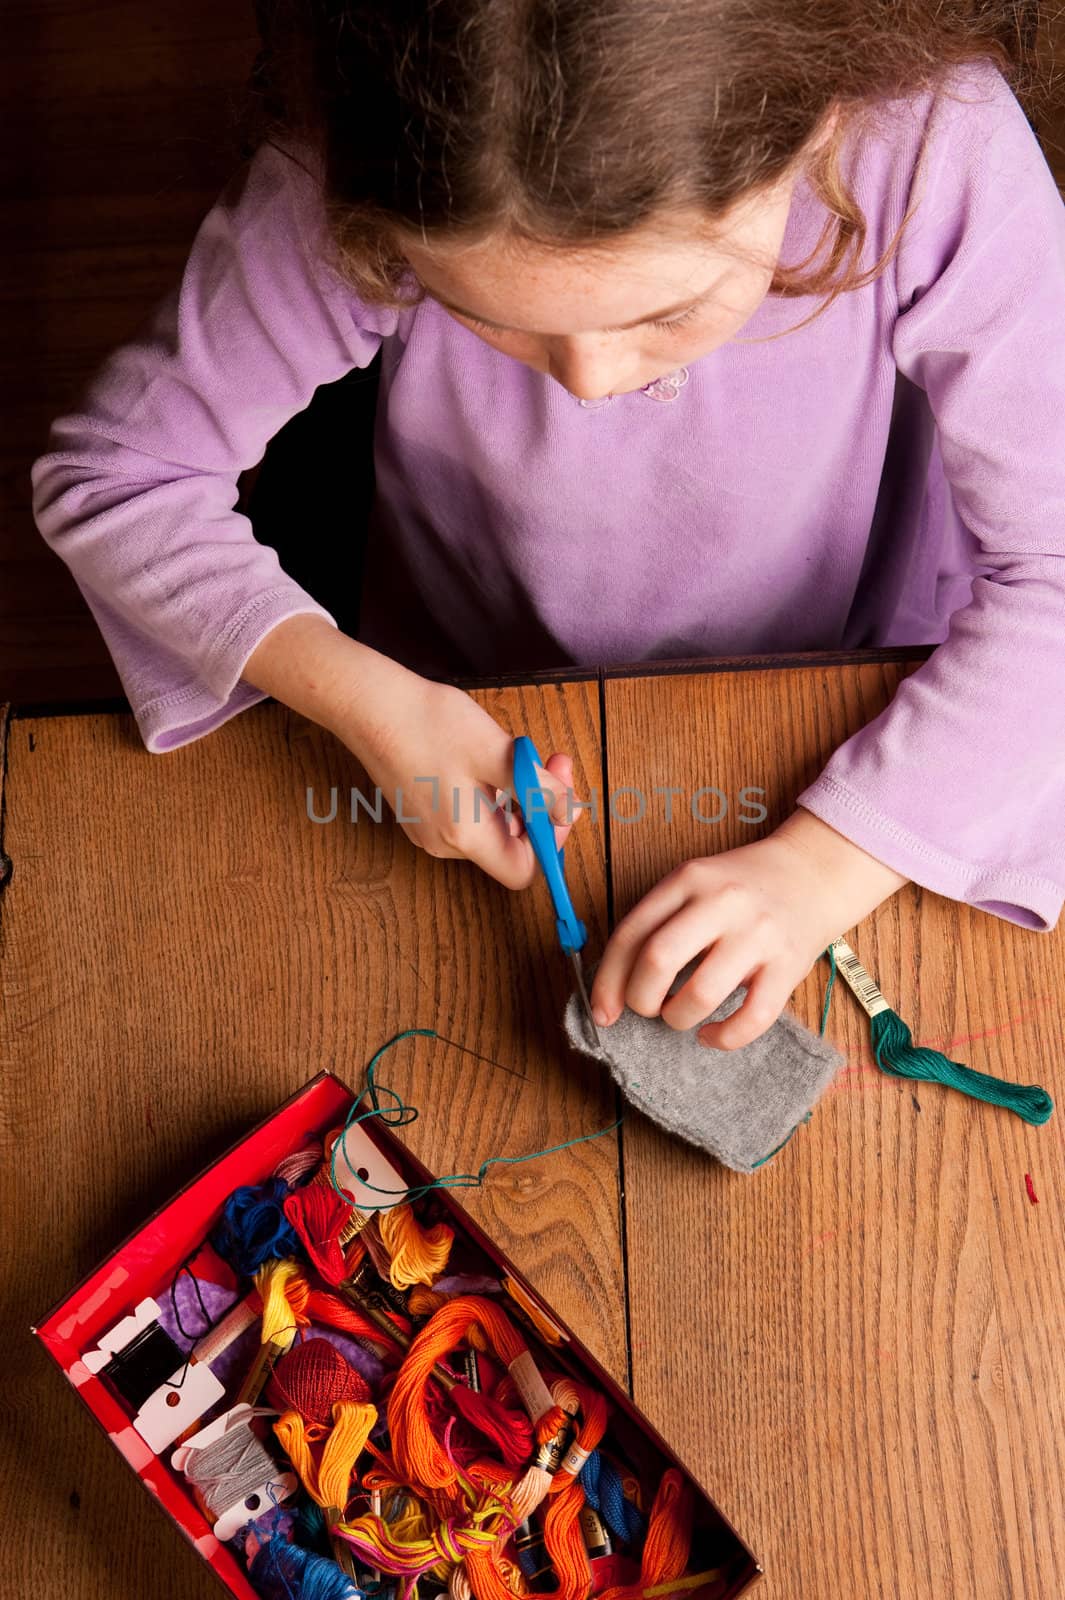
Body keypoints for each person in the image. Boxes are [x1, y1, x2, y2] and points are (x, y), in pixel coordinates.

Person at [30, 2, 1065, 1052]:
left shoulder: (930, 146)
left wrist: (826, 866)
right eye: (488, 315)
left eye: (664, 312)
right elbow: (118, 477)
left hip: (855, 665)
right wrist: (362, 696)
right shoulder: (360, 155)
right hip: (473, 666)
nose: (590, 383)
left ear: (812, 138)